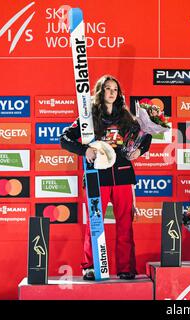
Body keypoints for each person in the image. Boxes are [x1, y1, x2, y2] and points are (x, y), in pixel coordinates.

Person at [60, 75, 152, 280]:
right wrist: (85, 151)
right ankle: (90, 267)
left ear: (119, 94)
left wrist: (140, 151)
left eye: (115, 89)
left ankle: (126, 268)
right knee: (94, 222)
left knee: (125, 224)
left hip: (123, 177)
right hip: (96, 177)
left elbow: (147, 136)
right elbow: (64, 139)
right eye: (108, 89)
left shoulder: (127, 118)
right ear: (100, 92)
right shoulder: (88, 118)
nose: (112, 92)